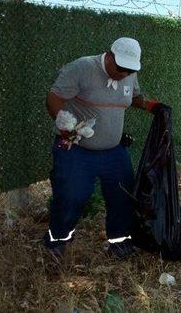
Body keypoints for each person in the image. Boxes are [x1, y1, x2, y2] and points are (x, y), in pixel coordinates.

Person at [43, 37, 164, 259]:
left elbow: (135, 97)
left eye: (129, 70)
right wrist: (65, 125)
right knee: (71, 195)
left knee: (123, 194)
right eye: (120, 68)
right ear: (109, 56)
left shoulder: (129, 74)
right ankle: (58, 240)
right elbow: (54, 98)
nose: (124, 74)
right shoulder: (81, 68)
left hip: (113, 150)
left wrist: (151, 106)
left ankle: (119, 242)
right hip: (76, 148)